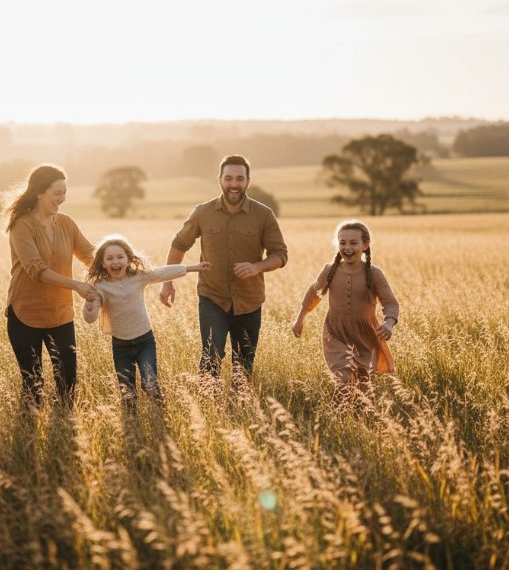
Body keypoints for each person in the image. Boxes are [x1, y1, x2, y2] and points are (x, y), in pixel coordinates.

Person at [158, 154, 287, 383]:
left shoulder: (263, 214)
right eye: (229, 178)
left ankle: (240, 411)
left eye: (239, 178)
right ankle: (208, 408)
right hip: (212, 298)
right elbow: (179, 245)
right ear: (219, 180)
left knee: (244, 364)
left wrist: (257, 267)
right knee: (211, 356)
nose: (234, 184)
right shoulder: (202, 212)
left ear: (248, 180)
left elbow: (280, 255)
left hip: (249, 300)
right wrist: (168, 283)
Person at [4, 164, 96, 409]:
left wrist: (121, 266)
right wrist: (76, 285)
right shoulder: (21, 226)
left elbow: (89, 255)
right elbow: (36, 270)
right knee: (33, 385)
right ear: (38, 193)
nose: (62, 199)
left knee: (68, 381)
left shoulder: (66, 223)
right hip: (26, 314)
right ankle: (28, 435)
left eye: (64, 192)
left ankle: (63, 430)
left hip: (60, 313)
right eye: (57, 193)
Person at [82, 235, 210, 411]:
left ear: (128, 259)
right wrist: (89, 304)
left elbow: (161, 272)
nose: (115, 262)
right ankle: (131, 423)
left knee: (150, 383)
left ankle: (161, 414)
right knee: (127, 392)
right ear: (102, 263)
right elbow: (90, 318)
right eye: (109, 258)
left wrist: (192, 267)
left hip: (145, 341)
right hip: (120, 346)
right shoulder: (100, 286)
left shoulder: (138, 277)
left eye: (120, 257)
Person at [291, 219, 400, 400]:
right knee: (343, 379)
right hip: (336, 332)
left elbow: (390, 303)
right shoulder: (329, 271)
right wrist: (300, 318)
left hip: (366, 334)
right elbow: (314, 293)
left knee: (363, 384)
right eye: (342, 243)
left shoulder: (374, 274)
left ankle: (359, 419)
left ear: (365, 245)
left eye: (353, 243)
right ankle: (339, 417)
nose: (347, 247)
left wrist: (388, 323)